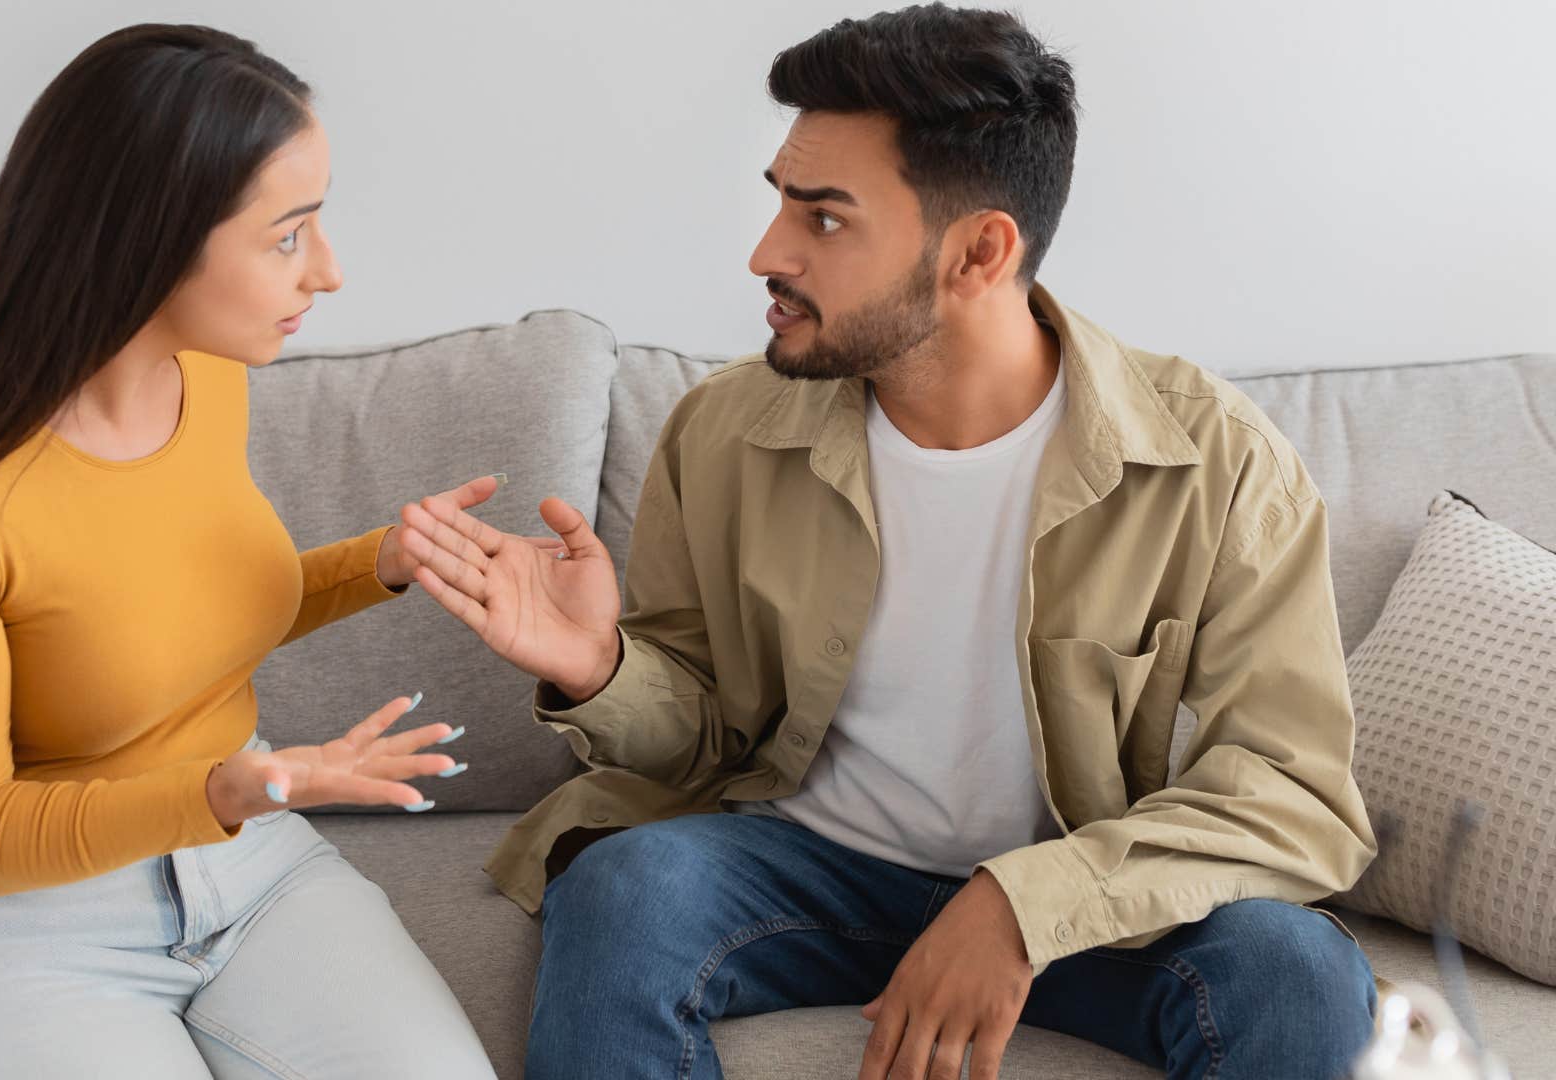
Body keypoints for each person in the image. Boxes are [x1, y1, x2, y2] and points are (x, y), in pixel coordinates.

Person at [398, 6, 1378, 1078]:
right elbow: (705, 736)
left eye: (824, 220)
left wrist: (1024, 903)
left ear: (978, 252)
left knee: (1296, 971)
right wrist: (602, 671)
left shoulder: (1216, 461)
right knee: (626, 886)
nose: (766, 251)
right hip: (808, 864)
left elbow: (1292, 791)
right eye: (780, 200)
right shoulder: (725, 431)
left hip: (1078, 898)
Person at [0, 23, 497, 1079]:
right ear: (150, 239)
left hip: (252, 875)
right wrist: (223, 789)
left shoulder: (205, 377)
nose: (330, 272)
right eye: (288, 236)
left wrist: (384, 560)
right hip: (32, 931)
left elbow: (175, 618)